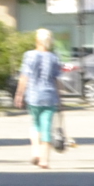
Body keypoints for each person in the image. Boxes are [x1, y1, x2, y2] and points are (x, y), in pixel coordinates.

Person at [13, 27, 62, 169]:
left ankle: (36, 152)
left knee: (35, 124)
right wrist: (60, 97)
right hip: (49, 96)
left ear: (36, 40)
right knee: (46, 127)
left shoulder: (29, 55)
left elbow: (24, 76)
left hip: (33, 96)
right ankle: (44, 160)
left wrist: (19, 94)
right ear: (50, 42)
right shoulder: (54, 57)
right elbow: (56, 79)